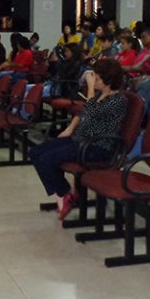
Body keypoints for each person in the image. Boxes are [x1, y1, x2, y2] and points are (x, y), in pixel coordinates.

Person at [30, 60, 128, 220]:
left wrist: (90, 88)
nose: (94, 80)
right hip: (81, 139)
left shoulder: (118, 100)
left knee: (48, 159)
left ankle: (64, 194)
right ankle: (66, 193)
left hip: (98, 147)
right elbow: (82, 113)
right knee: (35, 152)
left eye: (97, 78)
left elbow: (90, 111)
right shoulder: (100, 95)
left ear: (108, 80)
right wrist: (69, 129)